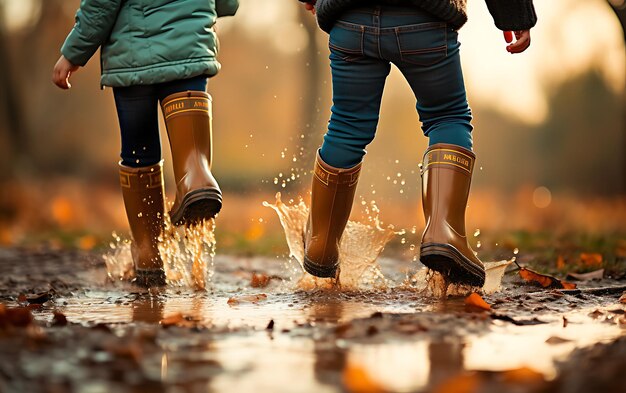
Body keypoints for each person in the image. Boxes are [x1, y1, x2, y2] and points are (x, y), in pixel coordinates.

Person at [299, 0, 536, 286]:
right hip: (424, 16)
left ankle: (321, 244)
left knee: (347, 125)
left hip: (350, 17)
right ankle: (443, 233)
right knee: (447, 116)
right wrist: (513, 13)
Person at [52, 0, 239, 287]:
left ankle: (148, 253)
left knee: (139, 150)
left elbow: (101, 5)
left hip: (133, 54)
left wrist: (73, 53)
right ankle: (197, 179)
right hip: (190, 43)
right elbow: (228, 2)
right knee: (189, 134)